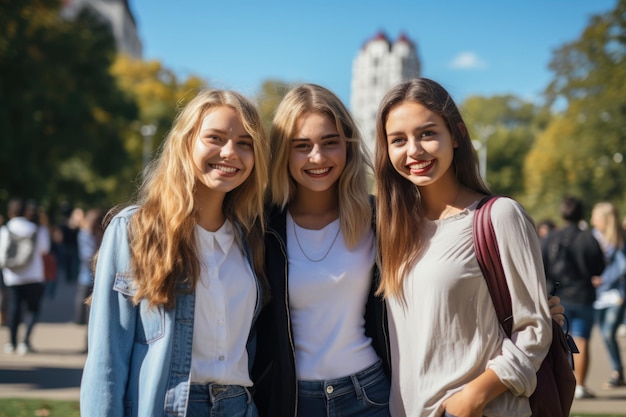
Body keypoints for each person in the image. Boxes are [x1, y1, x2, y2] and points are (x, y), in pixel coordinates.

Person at [80, 89, 270, 417]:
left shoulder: (251, 238)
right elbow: (106, 359)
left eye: (245, 143)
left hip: (240, 406)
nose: (230, 152)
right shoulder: (135, 229)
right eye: (215, 138)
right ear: (186, 142)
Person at [373, 78, 553, 417]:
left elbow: (535, 328)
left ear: (455, 135)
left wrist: (472, 398)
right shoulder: (393, 229)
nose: (413, 150)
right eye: (398, 140)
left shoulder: (499, 215)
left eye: (427, 133)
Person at [253, 83, 391, 417]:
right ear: (283, 152)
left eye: (330, 143)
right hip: (293, 399)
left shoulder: (380, 219)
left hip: (370, 394)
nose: (318, 157)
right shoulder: (261, 227)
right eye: (302, 146)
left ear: (348, 146)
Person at [541, 195, 606, 399]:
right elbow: (600, 267)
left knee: (555, 341)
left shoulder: (550, 238)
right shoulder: (588, 238)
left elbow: (541, 266)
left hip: (556, 297)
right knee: (582, 339)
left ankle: (556, 382)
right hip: (583, 295)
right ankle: (580, 385)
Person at [0, 198, 51, 355]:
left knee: (14, 308)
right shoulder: (38, 230)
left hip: (12, 275)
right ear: (27, 212)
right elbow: (45, 250)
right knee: (33, 309)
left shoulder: (5, 230)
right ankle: (25, 342)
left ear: (10, 212)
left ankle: (12, 343)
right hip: (34, 275)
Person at [590, 201, 626, 389]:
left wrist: (603, 279)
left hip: (616, 294)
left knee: (607, 333)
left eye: (596, 217)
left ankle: (617, 371)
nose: (592, 221)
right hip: (599, 296)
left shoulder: (619, 240)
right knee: (605, 335)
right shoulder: (594, 237)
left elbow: (622, 267)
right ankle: (618, 372)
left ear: (606, 219)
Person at [74, 207, 104, 326]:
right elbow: (87, 256)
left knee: (92, 312)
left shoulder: (98, 234)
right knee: (87, 308)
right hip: (89, 275)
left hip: (92, 275)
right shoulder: (85, 234)